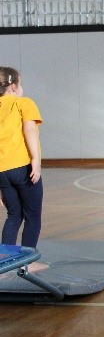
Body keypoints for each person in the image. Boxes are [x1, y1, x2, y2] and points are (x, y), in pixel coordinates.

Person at [0, 67, 46, 272]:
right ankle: (27, 263)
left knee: (13, 215)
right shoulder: (24, 103)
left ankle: (5, 263)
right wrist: (35, 160)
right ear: (14, 86)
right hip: (22, 168)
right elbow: (29, 129)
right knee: (32, 215)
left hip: (2, 172)